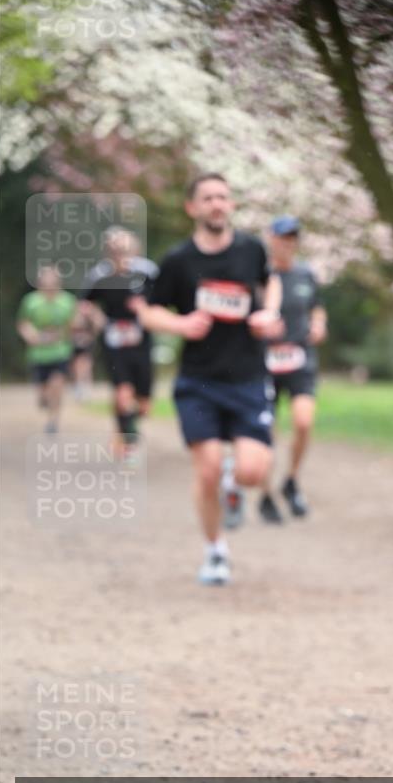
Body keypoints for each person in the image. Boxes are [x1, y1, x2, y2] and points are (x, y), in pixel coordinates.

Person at [140, 172, 282, 585]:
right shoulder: (178, 260)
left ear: (231, 204)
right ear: (193, 208)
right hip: (198, 380)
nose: (217, 204)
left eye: (223, 197)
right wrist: (181, 325)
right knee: (204, 470)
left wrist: (268, 314)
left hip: (247, 376)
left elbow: (268, 283)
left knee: (253, 471)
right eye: (208, 198)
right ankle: (215, 552)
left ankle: (232, 483)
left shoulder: (251, 249)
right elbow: (149, 311)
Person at [257, 215, 327, 523]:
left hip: (300, 359)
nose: (287, 243)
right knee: (265, 432)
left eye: (292, 238)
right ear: (270, 238)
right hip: (263, 362)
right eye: (282, 237)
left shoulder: (305, 274)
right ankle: (264, 494)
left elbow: (317, 305)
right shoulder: (258, 276)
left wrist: (319, 323)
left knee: (303, 422)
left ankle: (291, 481)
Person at [81, 227, 158, 460]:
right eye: (114, 248)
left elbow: (163, 298)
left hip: (142, 339)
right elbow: (85, 304)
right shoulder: (99, 275)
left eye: (123, 248)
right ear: (107, 251)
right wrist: (98, 319)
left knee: (143, 402)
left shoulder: (148, 271)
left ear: (134, 248)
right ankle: (128, 444)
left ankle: (123, 429)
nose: (118, 252)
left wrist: (148, 312)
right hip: (113, 339)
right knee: (123, 392)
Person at [16, 265, 77, 433]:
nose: (49, 285)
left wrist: (67, 332)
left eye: (53, 282)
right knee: (44, 394)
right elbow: (23, 323)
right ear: (39, 283)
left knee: (56, 386)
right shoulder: (30, 301)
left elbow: (73, 324)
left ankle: (53, 421)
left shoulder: (68, 301)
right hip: (38, 354)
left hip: (60, 352)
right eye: (46, 282)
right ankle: (44, 399)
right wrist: (30, 334)